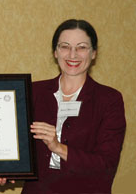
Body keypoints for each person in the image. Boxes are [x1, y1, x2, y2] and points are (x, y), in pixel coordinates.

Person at [22, 19, 126, 193]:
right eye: (65, 46)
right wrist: (3, 171)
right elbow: (19, 148)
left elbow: (106, 165)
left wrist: (58, 147)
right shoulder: (32, 92)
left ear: (93, 53)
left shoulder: (109, 100)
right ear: (55, 52)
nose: (72, 55)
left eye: (82, 47)